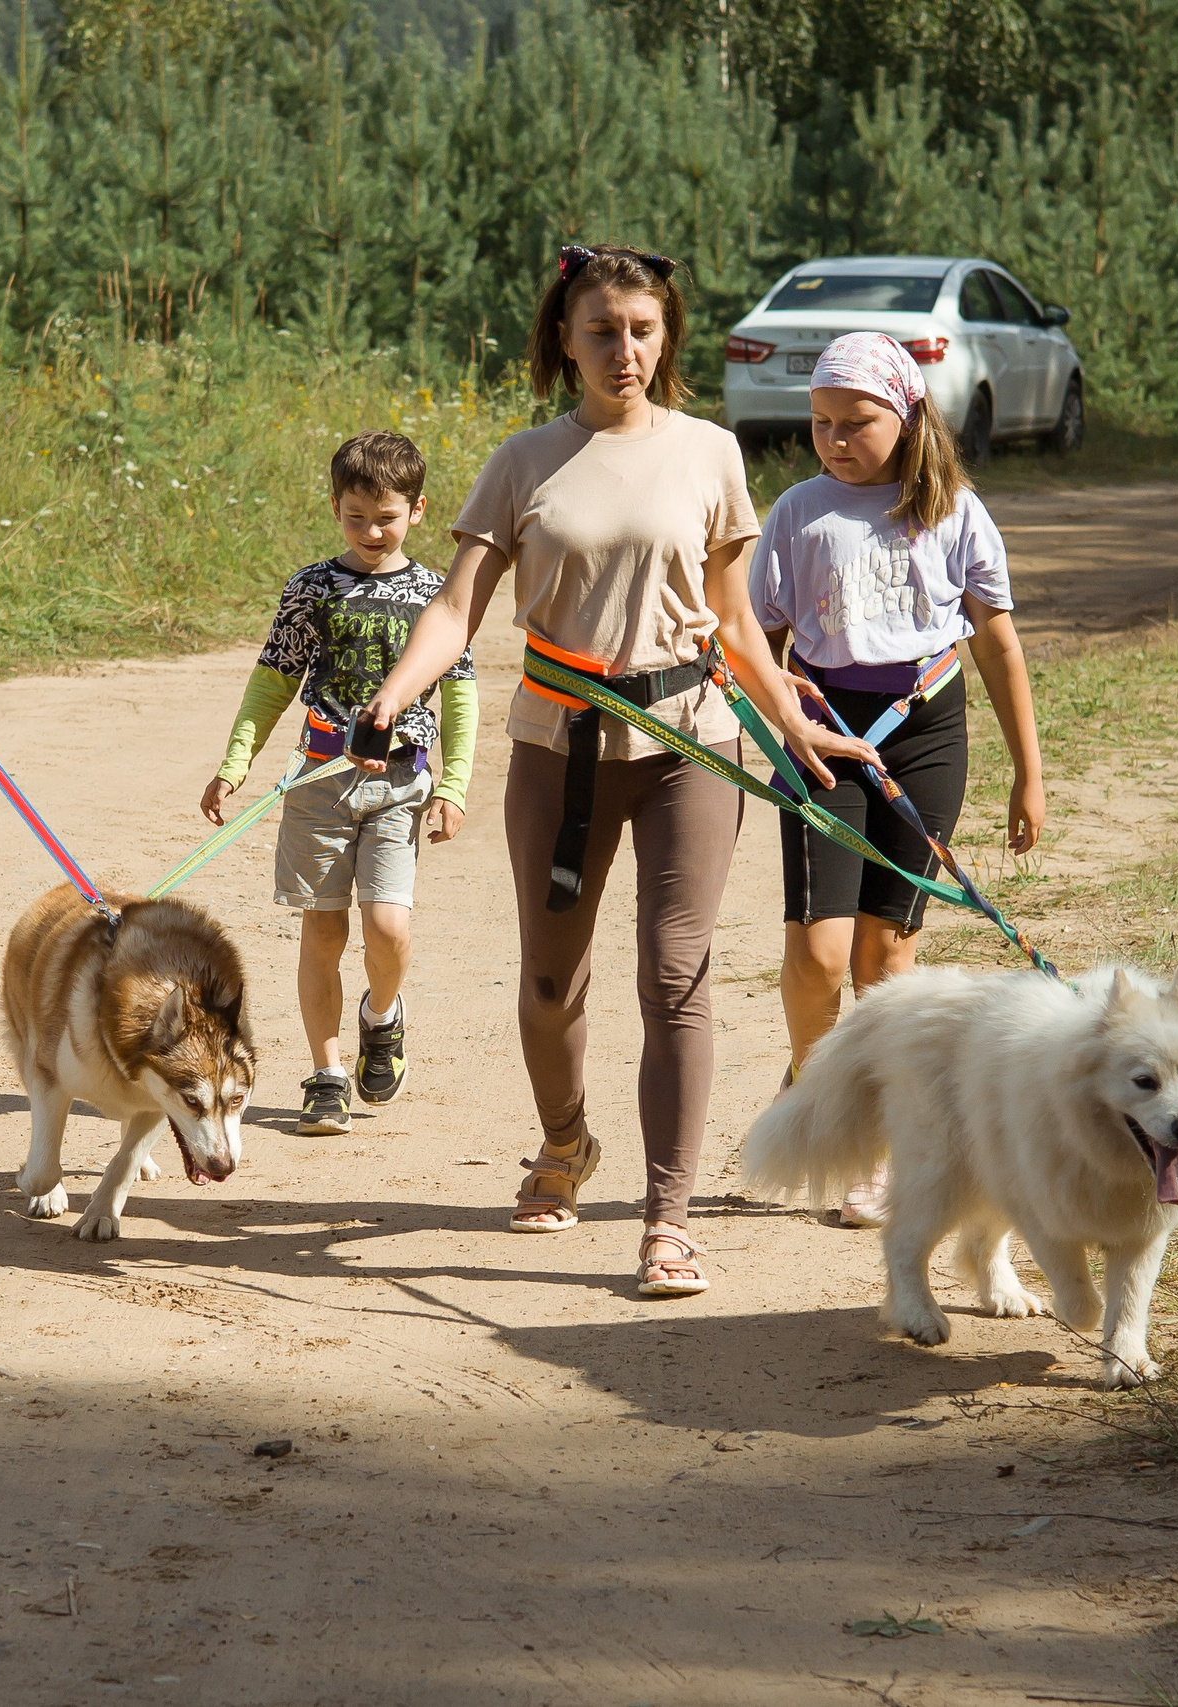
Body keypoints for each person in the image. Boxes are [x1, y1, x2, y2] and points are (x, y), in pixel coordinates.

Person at [359, 243, 873, 1300]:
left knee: (674, 974)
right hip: (561, 747)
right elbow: (456, 609)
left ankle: (666, 1220)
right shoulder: (523, 461)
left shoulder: (709, 454)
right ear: (563, 337)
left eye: (642, 330)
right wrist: (391, 696)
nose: (624, 349)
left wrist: (793, 724)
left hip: (693, 741)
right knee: (551, 984)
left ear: (666, 337)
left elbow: (735, 622)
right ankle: (564, 1144)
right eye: (602, 330)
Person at [752, 332, 1046, 1228]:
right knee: (820, 952)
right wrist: (782, 719)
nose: (835, 438)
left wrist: (1028, 775)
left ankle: (872, 1141)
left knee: (887, 959)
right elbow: (754, 637)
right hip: (824, 737)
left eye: (856, 422)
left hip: (926, 735)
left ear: (907, 414)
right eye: (820, 422)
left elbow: (996, 643)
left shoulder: (954, 509)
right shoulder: (797, 513)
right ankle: (818, 1094)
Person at [199, 431, 477, 1137]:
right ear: (335, 506)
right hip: (317, 782)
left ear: (417, 511)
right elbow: (271, 683)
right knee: (323, 929)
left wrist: (454, 785)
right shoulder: (311, 588)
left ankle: (381, 1015)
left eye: (385, 516)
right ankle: (325, 1076)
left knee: (388, 927)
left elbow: (461, 696)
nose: (371, 531)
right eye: (355, 516)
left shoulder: (437, 596)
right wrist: (236, 763)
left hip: (401, 785)